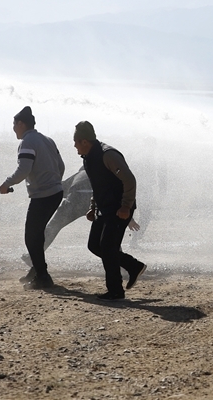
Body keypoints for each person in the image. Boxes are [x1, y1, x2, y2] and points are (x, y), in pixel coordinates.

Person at [74, 121, 146, 301]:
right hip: (104, 209)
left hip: (119, 209)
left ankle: (115, 291)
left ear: (84, 141)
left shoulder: (108, 155)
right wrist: (93, 208)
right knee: (94, 245)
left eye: (76, 142)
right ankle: (133, 266)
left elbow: (129, 180)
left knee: (108, 247)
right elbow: (99, 186)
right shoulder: (89, 157)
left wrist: (126, 207)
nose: (74, 146)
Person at [0, 106, 65, 290]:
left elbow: (24, 169)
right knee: (36, 235)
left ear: (21, 123)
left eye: (14, 124)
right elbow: (61, 166)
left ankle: (43, 277)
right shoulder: (47, 140)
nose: (13, 128)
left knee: (31, 237)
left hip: (44, 196)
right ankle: (38, 272)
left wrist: (7, 184)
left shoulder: (27, 141)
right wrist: (53, 182)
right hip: (55, 192)